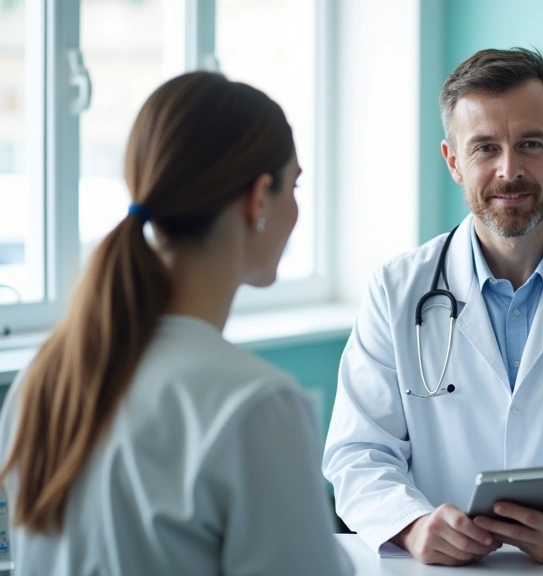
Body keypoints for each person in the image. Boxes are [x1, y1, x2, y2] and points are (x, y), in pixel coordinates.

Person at [323, 47, 543, 566]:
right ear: (452, 161)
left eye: (530, 144)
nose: (508, 171)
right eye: (485, 148)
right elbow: (357, 451)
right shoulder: (396, 291)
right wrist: (412, 525)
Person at [0, 72, 352, 575]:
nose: (296, 207)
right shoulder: (255, 405)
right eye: (293, 185)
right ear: (258, 198)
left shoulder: (43, 383)